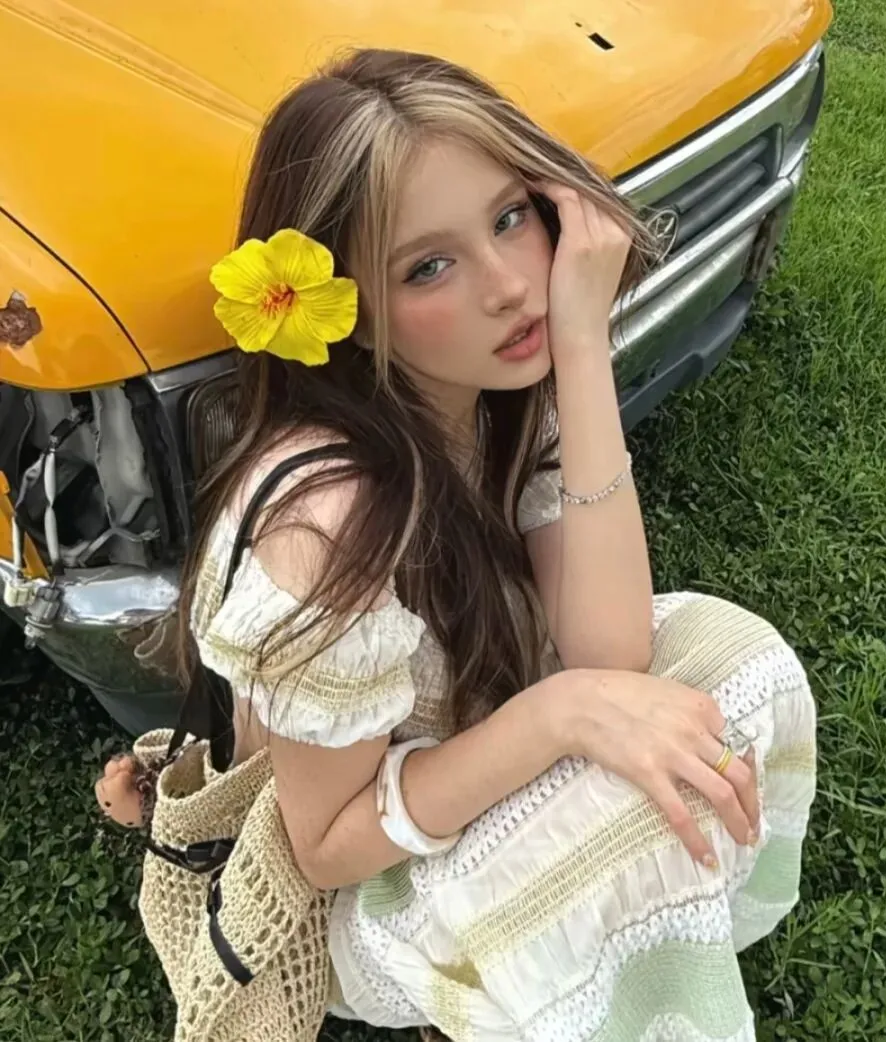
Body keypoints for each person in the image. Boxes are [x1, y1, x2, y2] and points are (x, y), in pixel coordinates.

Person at [96, 49, 816, 1042]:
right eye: (427, 266)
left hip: (467, 746)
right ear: (345, 307)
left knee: (740, 667)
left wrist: (581, 351)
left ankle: (613, 953)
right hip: (363, 894)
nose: (512, 286)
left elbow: (612, 650)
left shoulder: (489, 396)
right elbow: (324, 847)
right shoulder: (327, 529)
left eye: (511, 217)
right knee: (631, 811)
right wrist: (561, 715)